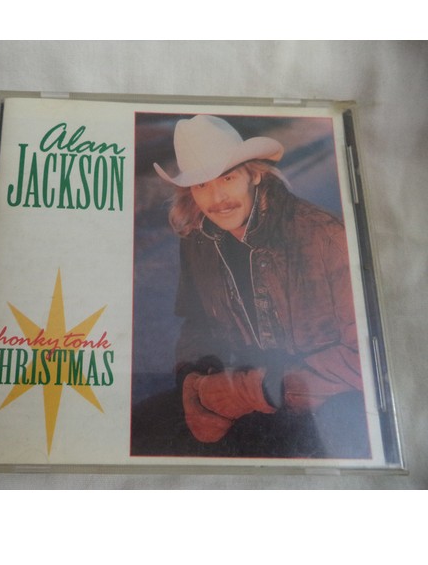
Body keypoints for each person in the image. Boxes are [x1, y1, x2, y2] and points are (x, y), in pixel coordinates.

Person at [133, 114, 369, 458]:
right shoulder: (197, 240)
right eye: (201, 185)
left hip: (319, 401)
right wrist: (193, 384)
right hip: (240, 391)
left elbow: (362, 360)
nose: (217, 199)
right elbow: (197, 322)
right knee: (139, 429)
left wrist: (251, 391)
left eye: (227, 178)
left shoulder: (325, 237)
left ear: (254, 174)